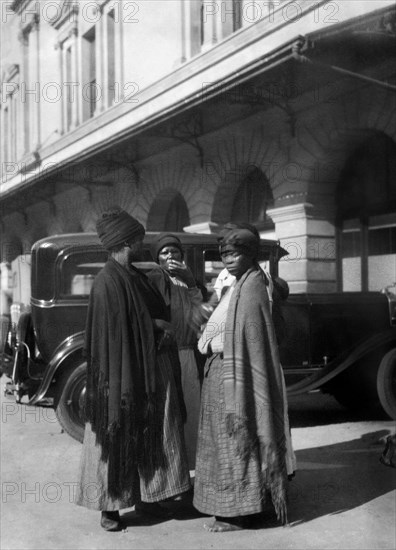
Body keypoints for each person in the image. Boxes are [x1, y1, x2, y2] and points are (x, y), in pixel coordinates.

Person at [75, 207, 191, 531]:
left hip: (145, 367)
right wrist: (154, 324)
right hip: (119, 375)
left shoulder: (135, 275)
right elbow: (116, 332)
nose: (141, 244)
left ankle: (150, 497)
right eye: (137, 239)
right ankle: (109, 508)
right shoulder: (106, 282)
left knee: (148, 433)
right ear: (126, 240)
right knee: (113, 437)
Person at [193, 227, 290, 532]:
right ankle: (234, 508)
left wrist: (212, 341)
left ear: (249, 254)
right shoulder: (238, 284)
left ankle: (240, 514)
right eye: (224, 255)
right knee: (224, 442)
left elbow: (250, 337)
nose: (229, 260)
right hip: (224, 374)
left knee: (237, 441)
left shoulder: (251, 287)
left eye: (235, 254)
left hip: (236, 377)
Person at [147, 233, 203, 470]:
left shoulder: (187, 281)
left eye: (175, 252)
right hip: (168, 355)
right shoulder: (156, 280)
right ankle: (173, 470)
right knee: (171, 413)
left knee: (191, 410)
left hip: (187, 353)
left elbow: (200, 312)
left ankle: (192, 465)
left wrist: (191, 282)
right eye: (165, 252)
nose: (170, 256)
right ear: (157, 258)